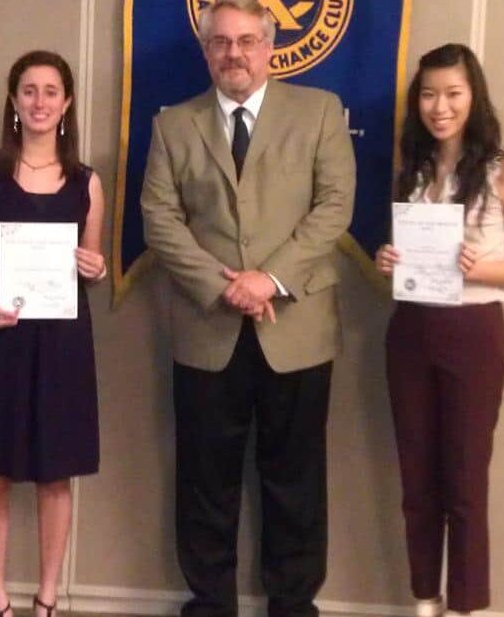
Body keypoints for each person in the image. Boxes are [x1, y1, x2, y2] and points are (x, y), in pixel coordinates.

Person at [140, 2, 355, 616]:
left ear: (269, 45)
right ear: (205, 49)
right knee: (205, 483)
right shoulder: (173, 125)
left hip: (298, 329)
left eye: (246, 41)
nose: (233, 53)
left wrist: (271, 279)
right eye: (220, 43)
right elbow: (160, 218)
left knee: (296, 482)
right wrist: (225, 284)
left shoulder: (317, 113)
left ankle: (293, 605)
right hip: (207, 327)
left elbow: (335, 206)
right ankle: (210, 604)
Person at [375, 44, 504, 616]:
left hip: (473, 333)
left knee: (464, 484)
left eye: (452, 93)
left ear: (473, 97)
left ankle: (467, 608)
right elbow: (411, 262)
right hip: (411, 331)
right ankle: (425, 598)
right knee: (416, 480)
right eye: (428, 94)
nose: (439, 106)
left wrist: (482, 267)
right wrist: (389, 262)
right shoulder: (416, 170)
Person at [0, 50, 106, 617]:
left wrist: (99, 268)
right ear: (14, 102)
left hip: (61, 344)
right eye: (30, 90)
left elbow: (92, 261)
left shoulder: (88, 183)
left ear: (66, 104)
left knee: (54, 473)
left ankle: (45, 600)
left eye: (51, 91)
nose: (40, 101)